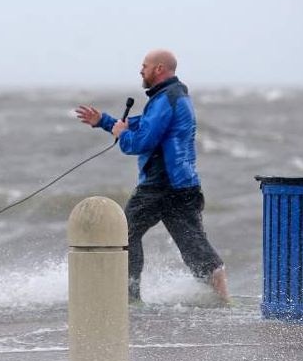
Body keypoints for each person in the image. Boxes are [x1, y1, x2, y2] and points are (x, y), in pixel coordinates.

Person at [75, 49, 230, 304]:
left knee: (123, 233)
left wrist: (121, 134)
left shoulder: (166, 99)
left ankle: (130, 298)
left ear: (159, 69)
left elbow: (142, 141)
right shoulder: (172, 96)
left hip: (161, 184)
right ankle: (223, 301)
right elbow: (143, 125)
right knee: (194, 247)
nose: (141, 70)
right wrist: (103, 121)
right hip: (183, 185)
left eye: (144, 65)